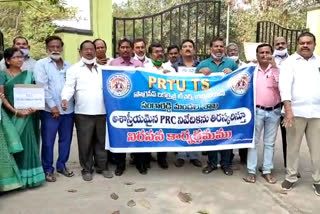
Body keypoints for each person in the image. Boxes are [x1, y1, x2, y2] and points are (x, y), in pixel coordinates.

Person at [61, 40, 112, 181]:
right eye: (86, 49)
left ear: (95, 51)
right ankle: (87, 169)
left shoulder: (103, 69)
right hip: (83, 112)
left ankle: (103, 167)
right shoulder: (74, 69)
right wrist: (65, 98)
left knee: (101, 142)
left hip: (102, 111)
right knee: (85, 143)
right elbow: (69, 86)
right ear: (80, 51)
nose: (89, 52)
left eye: (92, 49)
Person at [279, 32, 320, 196]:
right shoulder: (289, 62)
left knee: (317, 149)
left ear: (314, 44)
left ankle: (318, 180)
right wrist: (288, 110)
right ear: (297, 44)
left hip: (317, 112)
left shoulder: (319, 62)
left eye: (308, 43)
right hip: (295, 112)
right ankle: (290, 177)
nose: (305, 45)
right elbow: (284, 86)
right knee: (293, 148)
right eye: (302, 43)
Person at [0, 47, 45, 188]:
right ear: (7, 60)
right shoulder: (2, 74)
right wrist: (15, 111)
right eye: (15, 57)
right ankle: (15, 179)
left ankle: (28, 179)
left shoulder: (29, 75)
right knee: (12, 146)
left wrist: (34, 107)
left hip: (28, 116)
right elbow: (1, 97)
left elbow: (34, 95)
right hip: (11, 116)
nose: (19, 60)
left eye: (21, 57)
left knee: (28, 145)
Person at [34, 36, 74, 182]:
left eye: (58, 46)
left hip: (68, 110)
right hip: (49, 111)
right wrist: (53, 106)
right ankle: (47, 169)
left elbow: (72, 86)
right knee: (48, 141)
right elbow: (42, 86)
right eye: (52, 46)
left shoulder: (69, 66)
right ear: (47, 48)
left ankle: (62, 165)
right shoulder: (41, 64)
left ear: (62, 48)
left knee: (66, 140)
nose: (55, 49)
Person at [196, 37, 238, 176]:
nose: (219, 49)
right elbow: (192, 83)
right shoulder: (203, 64)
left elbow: (241, 81)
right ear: (210, 49)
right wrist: (200, 73)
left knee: (226, 134)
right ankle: (212, 163)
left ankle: (226, 164)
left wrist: (232, 74)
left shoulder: (231, 64)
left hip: (227, 105)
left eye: (221, 46)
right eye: (216, 46)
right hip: (209, 106)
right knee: (211, 134)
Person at [243, 43, 281, 184]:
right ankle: (251, 171)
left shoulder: (278, 70)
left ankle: (267, 170)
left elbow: (282, 85)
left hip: (274, 111)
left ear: (271, 54)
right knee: (253, 142)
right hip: (257, 111)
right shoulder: (251, 70)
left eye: (267, 52)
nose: (265, 55)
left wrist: (275, 68)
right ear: (257, 55)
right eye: (261, 53)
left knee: (269, 143)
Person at [109, 38, 143, 176]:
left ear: (132, 49)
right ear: (119, 49)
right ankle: (120, 165)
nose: (125, 50)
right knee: (121, 135)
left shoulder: (138, 64)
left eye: (127, 47)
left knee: (137, 135)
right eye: (122, 47)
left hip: (135, 104)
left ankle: (140, 164)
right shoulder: (113, 64)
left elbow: (143, 82)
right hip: (118, 105)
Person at [172, 39, 202, 168]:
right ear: (180, 51)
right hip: (179, 101)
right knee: (181, 127)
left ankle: (194, 155)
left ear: (194, 50)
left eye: (190, 46)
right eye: (185, 46)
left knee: (195, 127)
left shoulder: (201, 65)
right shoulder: (174, 67)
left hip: (197, 101)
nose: (188, 48)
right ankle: (181, 155)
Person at [225, 42, 248, 164]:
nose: (232, 52)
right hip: (228, 103)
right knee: (228, 130)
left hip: (242, 102)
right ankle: (228, 157)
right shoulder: (224, 66)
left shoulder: (245, 66)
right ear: (227, 52)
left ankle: (243, 157)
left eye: (234, 50)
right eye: (230, 50)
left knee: (242, 130)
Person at [273, 36, 289, 169]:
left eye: (282, 43)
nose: (280, 46)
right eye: (277, 44)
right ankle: (267, 166)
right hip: (271, 103)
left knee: (288, 138)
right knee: (269, 138)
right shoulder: (267, 59)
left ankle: (289, 166)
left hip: (287, 104)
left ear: (287, 44)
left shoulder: (294, 60)